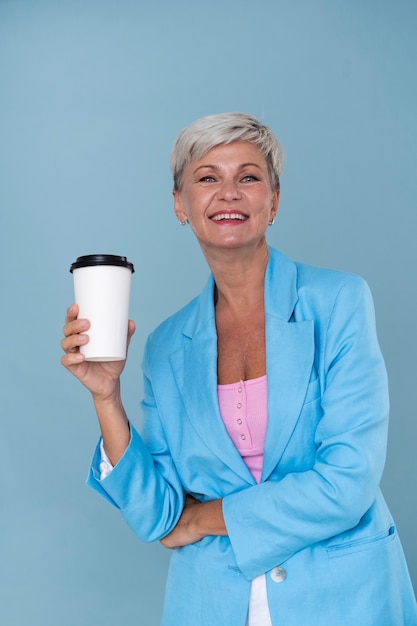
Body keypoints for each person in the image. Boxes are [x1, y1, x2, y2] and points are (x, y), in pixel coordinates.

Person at [61, 112, 417, 626]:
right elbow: (158, 517)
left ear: (273, 201)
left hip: (344, 599)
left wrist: (208, 516)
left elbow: (348, 483)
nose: (228, 192)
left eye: (248, 177)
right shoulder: (165, 347)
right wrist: (105, 396)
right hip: (213, 601)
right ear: (180, 205)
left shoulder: (338, 302)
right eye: (208, 178)